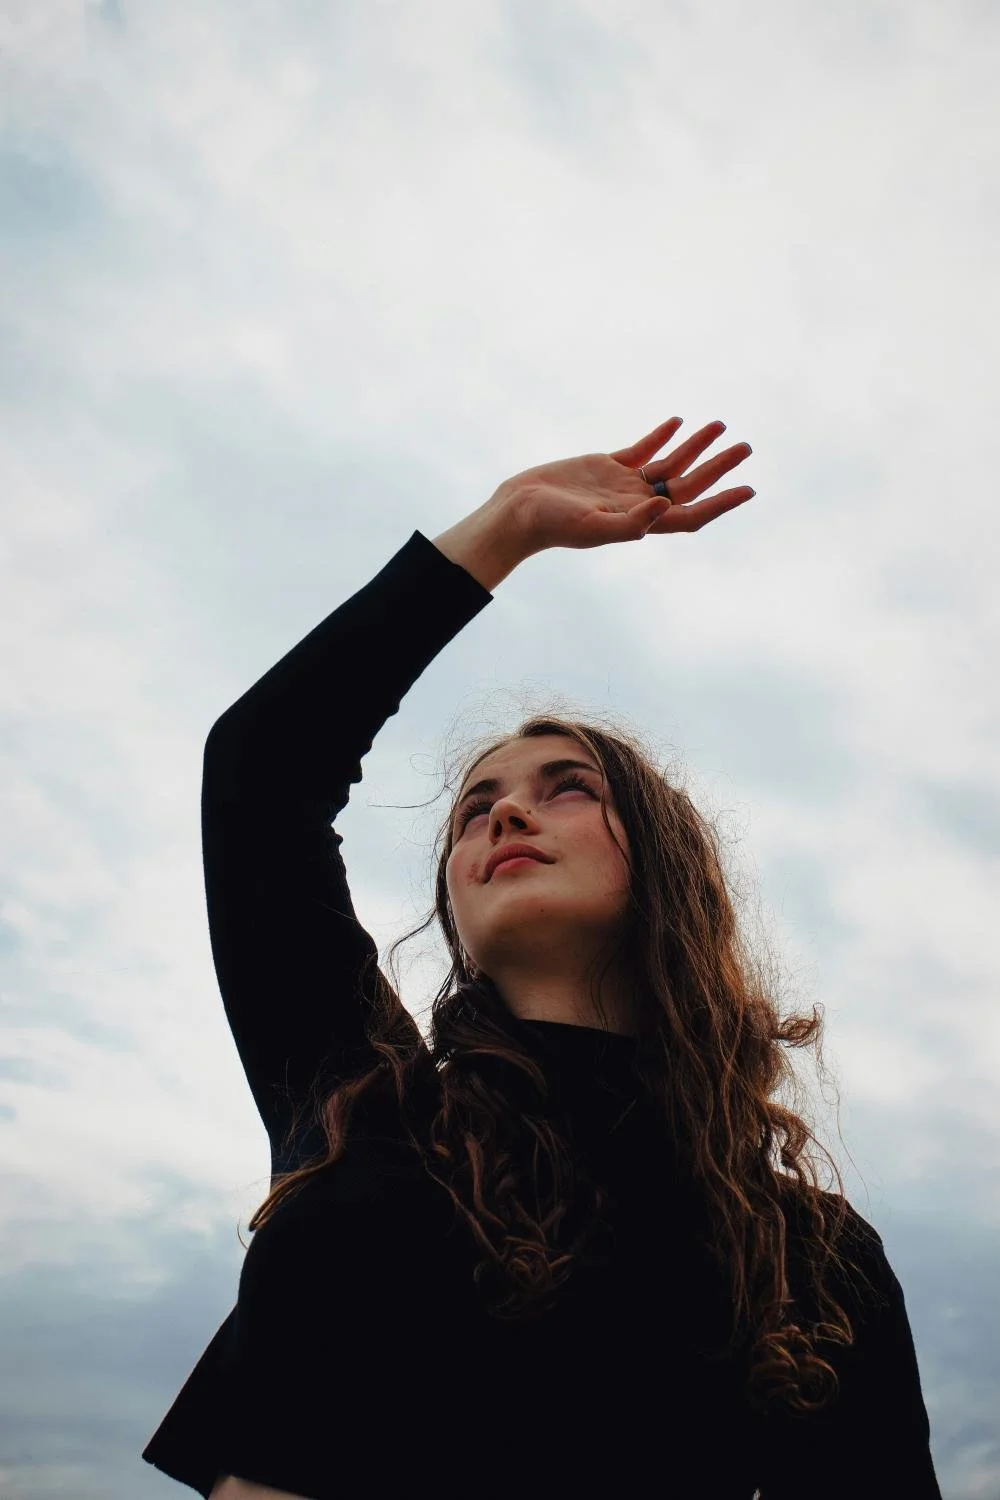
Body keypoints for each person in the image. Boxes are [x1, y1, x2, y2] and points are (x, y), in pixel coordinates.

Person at [142, 417, 941, 1499]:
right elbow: (262, 772)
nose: (507, 813)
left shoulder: (810, 1256)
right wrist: (509, 523)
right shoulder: (367, 1101)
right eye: (476, 808)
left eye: (567, 787)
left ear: (664, 868)